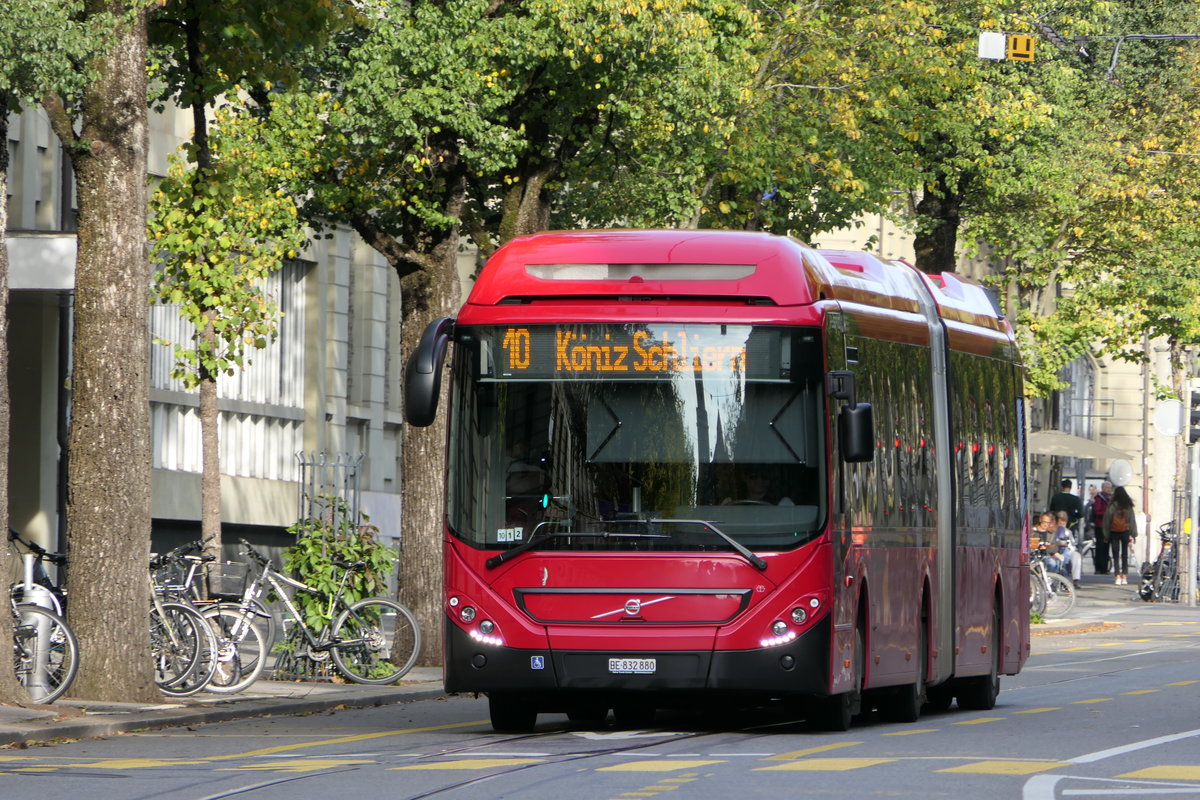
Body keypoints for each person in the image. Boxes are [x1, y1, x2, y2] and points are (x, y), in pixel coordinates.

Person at [1102, 485, 1138, 586]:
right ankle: (1125, 576)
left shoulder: (1112, 505)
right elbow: (1132, 520)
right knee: (1125, 554)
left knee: (1115, 554)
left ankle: (1117, 576)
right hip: (1125, 531)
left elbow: (1107, 521)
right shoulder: (1128, 506)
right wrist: (1134, 534)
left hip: (1114, 532)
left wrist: (1106, 535)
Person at [723, 469, 794, 506]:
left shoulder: (782, 504)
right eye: (753, 477)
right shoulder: (731, 503)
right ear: (745, 478)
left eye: (764, 477)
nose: (759, 481)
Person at [1089, 481, 1113, 575]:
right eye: (1107, 488)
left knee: (1106, 547)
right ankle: (1098, 568)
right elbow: (1096, 511)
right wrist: (1107, 513)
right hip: (1100, 525)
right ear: (1103, 489)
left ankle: (1105, 568)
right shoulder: (1099, 498)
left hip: (1109, 526)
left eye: (1110, 488)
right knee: (1100, 547)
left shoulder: (1111, 498)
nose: (1109, 489)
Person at [1054, 509, 1082, 587]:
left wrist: (1071, 548)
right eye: (1061, 521)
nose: (1062, 523)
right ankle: (1062, 579)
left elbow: (1073, 544)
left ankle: (1075, 580)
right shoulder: (1054, 531)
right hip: (1057, 551)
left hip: (1068, 550)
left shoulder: (1068, 532)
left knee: (1077, 556)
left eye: (1064, 521)